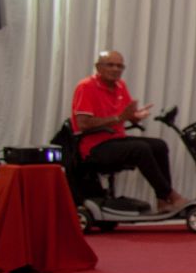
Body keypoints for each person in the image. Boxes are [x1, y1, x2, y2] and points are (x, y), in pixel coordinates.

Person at [71, 50, 184, 211]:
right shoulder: (86, 87)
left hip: (116, 141)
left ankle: (162, 200)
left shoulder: (120, 86)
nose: (115, 69)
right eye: (110, 65)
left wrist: (136, 116)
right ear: (98, 67)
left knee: (159, 145)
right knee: (140, 149)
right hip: (94, 147)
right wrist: (118, 118)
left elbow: (127, 115)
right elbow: (82, 124)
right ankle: (172, 196)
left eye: (119, 66)